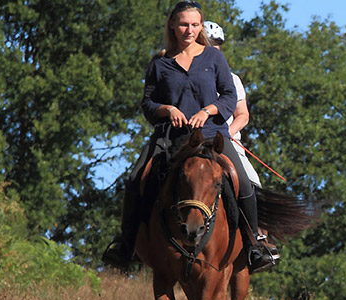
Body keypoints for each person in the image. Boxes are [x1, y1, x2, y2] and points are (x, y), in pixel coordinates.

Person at [102, 1, 278, 273]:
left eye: (195, 25)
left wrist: (208, 111)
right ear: (172, 25)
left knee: (242, 181)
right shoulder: (160, 63)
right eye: (184, 24)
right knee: (136, 178)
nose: (189, 30)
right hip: (169, 139)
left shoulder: (214, 58)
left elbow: (230, 97)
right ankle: (126, 246)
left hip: (211, 136)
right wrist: (167, 109)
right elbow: (147, 103)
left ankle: (255, 245)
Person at [203, 20, 262, 189]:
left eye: (216, 45)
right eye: (208, 44)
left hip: (226, 142)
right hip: (192, 140)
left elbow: (242, 115)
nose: (213, 48)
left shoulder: (232, 79)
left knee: (252, 184)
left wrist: (226, 134)